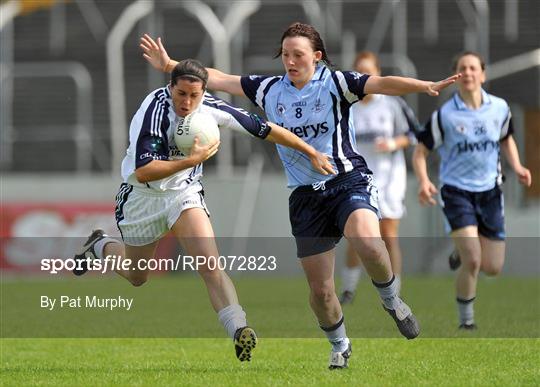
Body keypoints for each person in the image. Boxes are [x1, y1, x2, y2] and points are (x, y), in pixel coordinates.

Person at [141, 22, 459, 369]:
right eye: (286, 55)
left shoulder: (336, 83)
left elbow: (380, 84)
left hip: (346, 180)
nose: (290, 61)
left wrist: (425, 85)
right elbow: (219, 79)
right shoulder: (269, 89)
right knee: (321, 293)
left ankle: (392, 299)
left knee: (367, 240)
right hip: (306, 198)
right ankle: (340, 345)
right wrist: (172, 65)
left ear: (316, 57)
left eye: (298, 55)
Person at [73, 59, 334, 362]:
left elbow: (265, 129)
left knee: (210, 264)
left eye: (193, 95)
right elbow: (145, 171)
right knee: (136, 275)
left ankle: (239, 330)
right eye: (181, 93)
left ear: (203, 92)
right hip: (142, 197)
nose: (186, 102)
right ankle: (100, 245)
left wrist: (311, 151)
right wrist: (191, 159)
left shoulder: (212, 107)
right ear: (170, 87)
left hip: (184, 194)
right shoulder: (155, 109)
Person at [412, 52, 532, 330]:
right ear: (455, 76)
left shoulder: (499, 108)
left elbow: (506, 139)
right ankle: (467, 321)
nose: (468, 73)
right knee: (474, 260)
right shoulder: (445, 115)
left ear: (483, 74)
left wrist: (518, 166)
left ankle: (460, 250)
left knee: (493, 267)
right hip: (457, 193)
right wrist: (423, 180)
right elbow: (420, 153)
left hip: (491, 192)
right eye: (462, 69)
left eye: (473, 68)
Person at [339, 51, 420, 305]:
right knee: (358, 234)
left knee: (388, 233)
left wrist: (394, 142)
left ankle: (394, 291)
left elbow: (415, 134)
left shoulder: (391, 104)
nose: (365, 77)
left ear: (378, 73)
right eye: (360, 72)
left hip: (389, 177)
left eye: (369, 71)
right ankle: (349, 288)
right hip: (357, 178)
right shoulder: (347, 106)